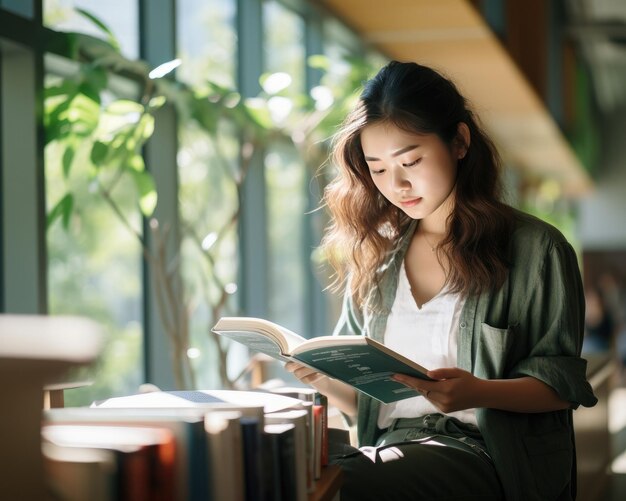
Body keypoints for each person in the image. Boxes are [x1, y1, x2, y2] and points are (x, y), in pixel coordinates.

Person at [285, 61, 597, 500]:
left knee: (341, 484)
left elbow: (562, 386)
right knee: (294, 474)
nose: (396, 184)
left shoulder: (535, 249)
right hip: (393, 451)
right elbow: (373, 406)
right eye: (376, 169)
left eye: (410, 160)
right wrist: (319, 376)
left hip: (485, 455)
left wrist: (478, 393)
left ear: (460, 142)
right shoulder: (379, 256)